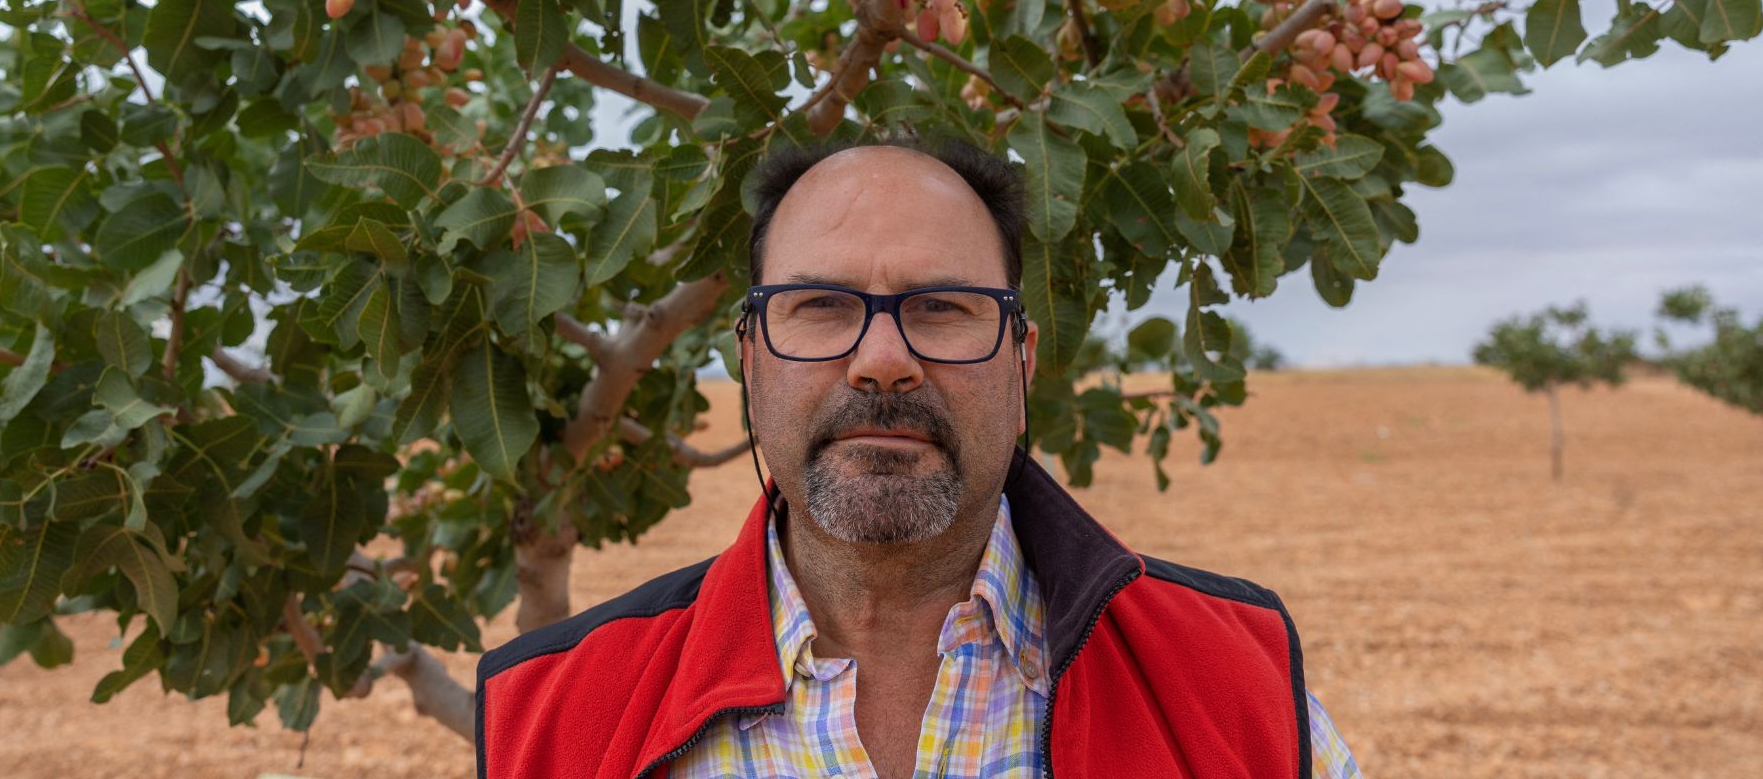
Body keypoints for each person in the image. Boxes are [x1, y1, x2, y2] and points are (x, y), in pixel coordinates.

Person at [476, 135, 1364, 778]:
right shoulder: (554, 716)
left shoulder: (1230, 685)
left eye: (943, 307)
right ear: (749, 361)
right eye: (821, 304)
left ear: (1021, 362)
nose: (883, 360)